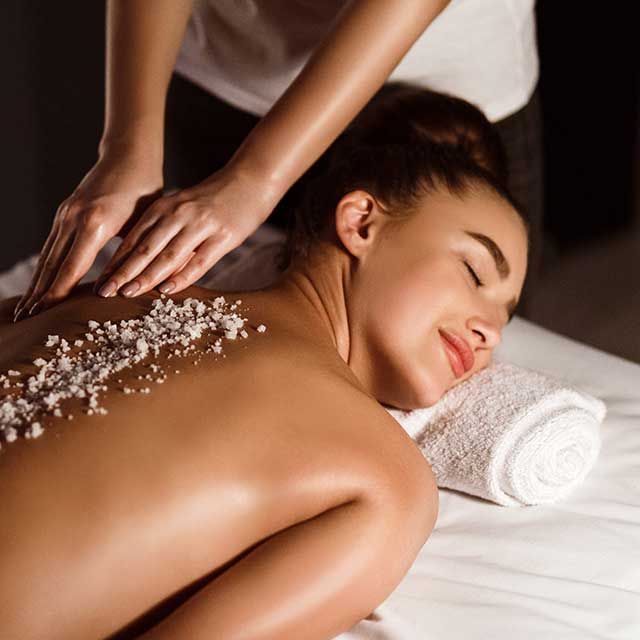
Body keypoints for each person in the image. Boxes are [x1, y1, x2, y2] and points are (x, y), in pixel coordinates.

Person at [0, 84, 528, 638]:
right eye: (474, 273)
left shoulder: (106, 294)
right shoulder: (385, 482)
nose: (489, 329)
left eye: (506, 317)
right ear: (361, 223)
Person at [12, 0, 541, 326]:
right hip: (228, 68)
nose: (488, 333)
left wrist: (257, 177)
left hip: (443, 82)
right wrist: (127, 149)